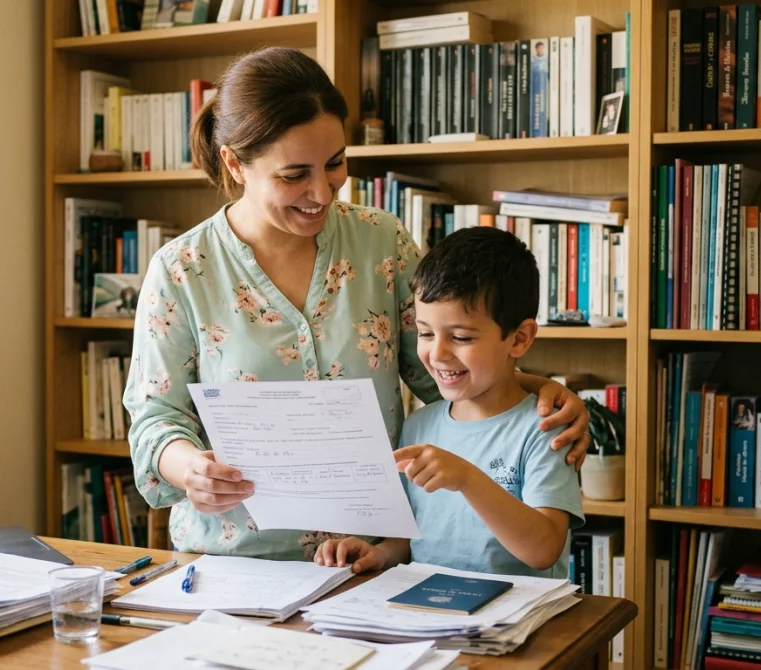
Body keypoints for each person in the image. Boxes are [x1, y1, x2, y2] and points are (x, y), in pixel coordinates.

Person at [122, 47, 591, 560]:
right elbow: (155, 417)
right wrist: (189, 468)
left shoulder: (381, 242)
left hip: (368, 558)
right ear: (235, 163)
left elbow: (444, 365)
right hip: (235, 560)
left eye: (335, 163)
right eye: (294, 174)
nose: (322, 192)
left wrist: (538, 392)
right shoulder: (182, 269)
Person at [314, 227, 584, 577]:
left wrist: (469, 479)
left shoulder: (546, 429)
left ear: (519, 339)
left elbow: (544, 549)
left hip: (515, 618)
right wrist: (378, 553)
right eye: (425, 333)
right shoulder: (419, 426)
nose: (437, 353)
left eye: (460, 337)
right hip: (428, 609)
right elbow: (412, 539)